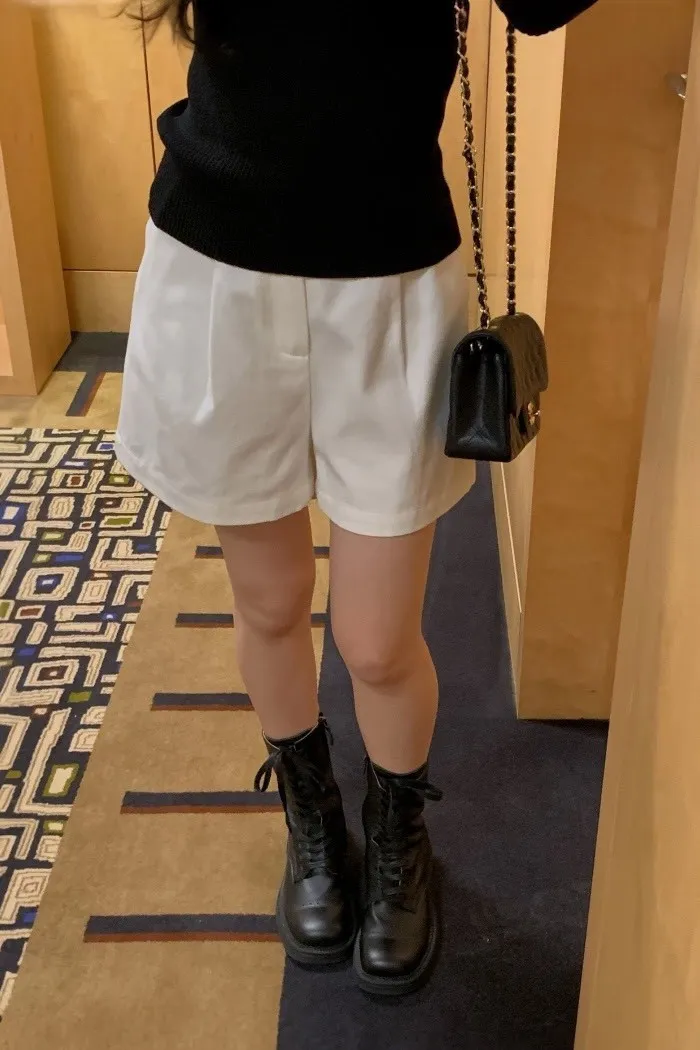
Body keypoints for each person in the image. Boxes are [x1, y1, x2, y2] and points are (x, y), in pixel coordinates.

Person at [34, 0, 596, 996]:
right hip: (220, 264)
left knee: (377, 642)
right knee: (269, 601)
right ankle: (311, 818)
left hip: (391, 279)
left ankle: (398, 831)